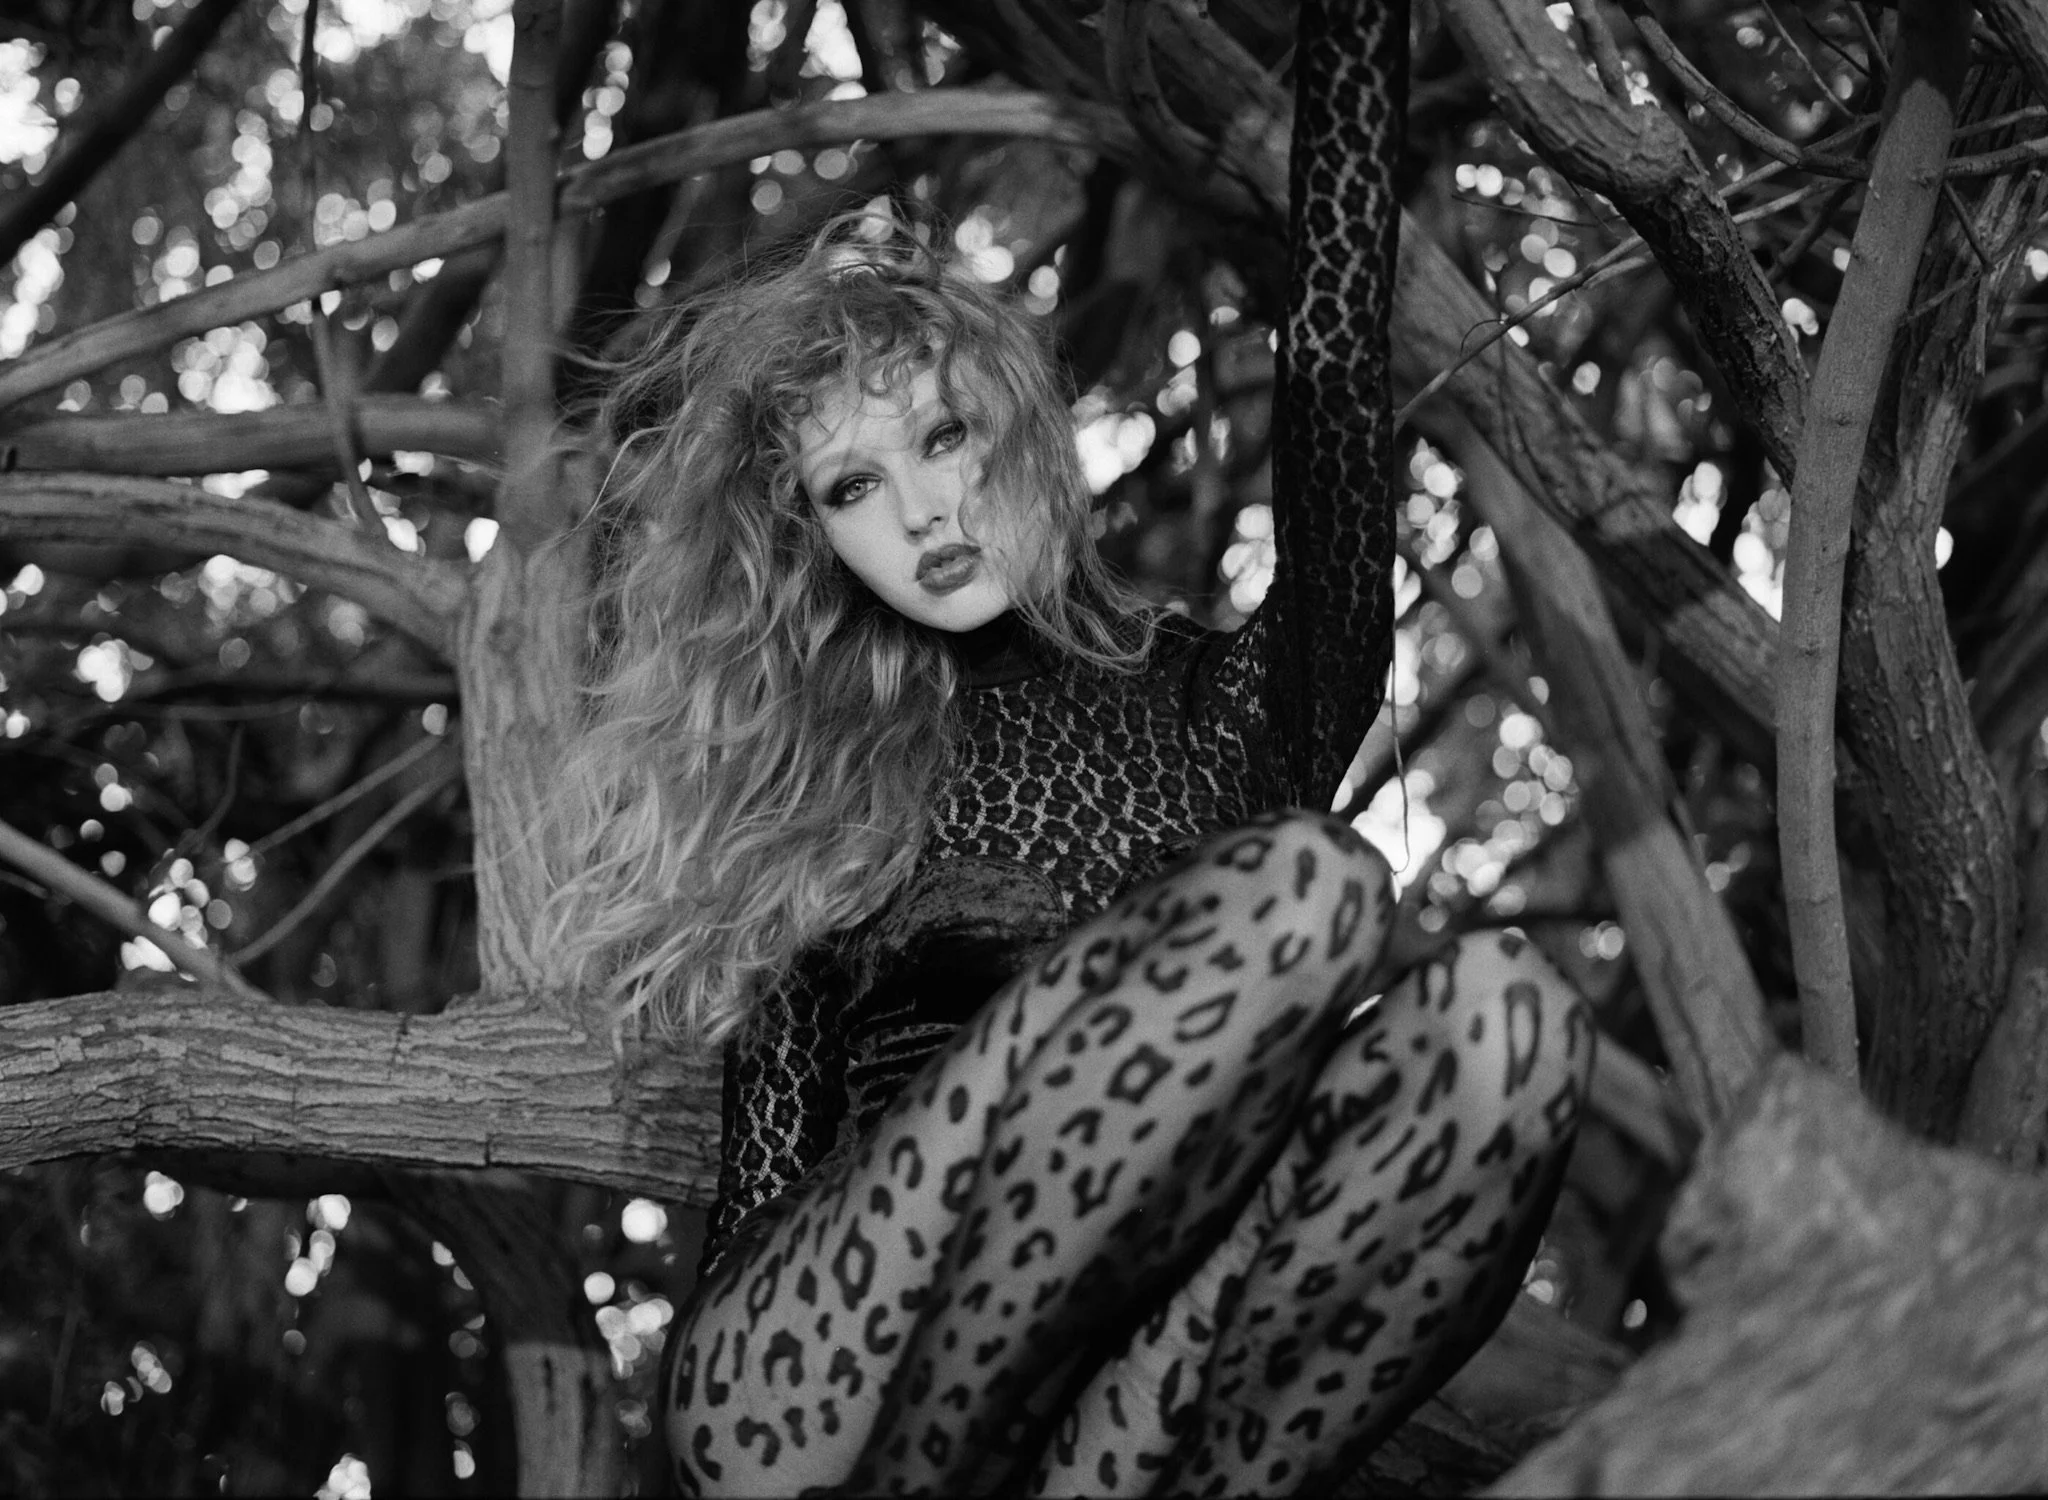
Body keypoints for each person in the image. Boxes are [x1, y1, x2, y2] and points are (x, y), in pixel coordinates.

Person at [541, 190, 1590, 1496]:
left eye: (944, 437)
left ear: (1022, 431)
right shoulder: (828, 791)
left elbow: (1330, 371)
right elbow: (772, 1178)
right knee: (1304, 887)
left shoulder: (1223, 710)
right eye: (855, 485)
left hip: (1111, 1406)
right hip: (809, 1387)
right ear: (815, 537)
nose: (921, 511)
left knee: (1507, 1022)